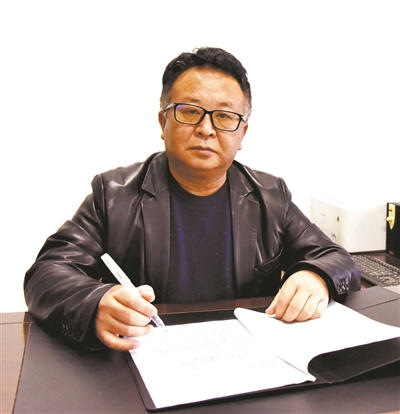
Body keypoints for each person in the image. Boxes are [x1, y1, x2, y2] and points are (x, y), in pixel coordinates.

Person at [24, 47, 360, 351]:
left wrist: (316, 275)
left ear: (242, 133)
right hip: (147, 358)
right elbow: (46, 273)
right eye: (189, 111)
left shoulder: (270, 196)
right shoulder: (113, 195)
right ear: (163, 121)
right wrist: (95, 303)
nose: (206, 129)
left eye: (225, 116)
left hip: (247, 359)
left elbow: (336, 258)